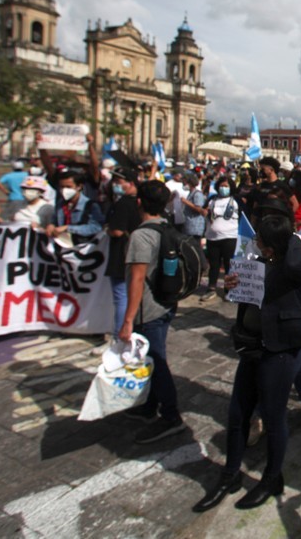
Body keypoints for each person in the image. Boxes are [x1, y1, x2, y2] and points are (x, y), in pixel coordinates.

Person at [193, 214, 301, 512]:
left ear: (272, 244)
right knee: (237, 414)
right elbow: (241, 297)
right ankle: (230, 474)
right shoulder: (257, 264)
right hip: (252, 347)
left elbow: (297, 265)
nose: (255, 243)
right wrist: (230, 286)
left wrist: (292, 239)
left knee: (274, 418)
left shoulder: (296, 267)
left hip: (281, 351)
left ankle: (273, 476)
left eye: (261, 239)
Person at [118, 180, 187, 443]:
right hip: (165, 302)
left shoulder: (141, 235)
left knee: (157, 363)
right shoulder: (165, 227)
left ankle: (171, 416)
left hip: (148, 309)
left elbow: (136, 278)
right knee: (153, 358)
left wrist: (127, 320)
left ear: (139, 203)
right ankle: (149, 406)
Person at [104, 168, 141, 338]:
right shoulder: (141, 202)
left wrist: (108, 230)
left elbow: (117, 231)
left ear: (131, 183)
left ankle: (119, 335)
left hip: (121, 255)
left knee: (121, 298)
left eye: (119, 183)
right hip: (137, 254)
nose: (115, 186)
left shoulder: (123, 204)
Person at [202, 176, 239, 302]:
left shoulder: (236, 200)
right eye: (222, 186)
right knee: (214, 265)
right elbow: (205, 212)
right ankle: (211, 288)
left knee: (229, 266)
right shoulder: (212, 199)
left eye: (226, 186)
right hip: (212, 237)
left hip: (230, 237)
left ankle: (229, 290)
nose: (223, 188)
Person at [45, 169, 104, 245]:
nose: (64, 190)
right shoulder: (60, 204)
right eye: (62, 187)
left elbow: (96, 227)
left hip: (83, 247)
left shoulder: (90, 205)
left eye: (68, 187)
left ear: (79, 187)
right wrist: (51, 225)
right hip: (62, 244)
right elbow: (54, 220)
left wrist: (68, 228)